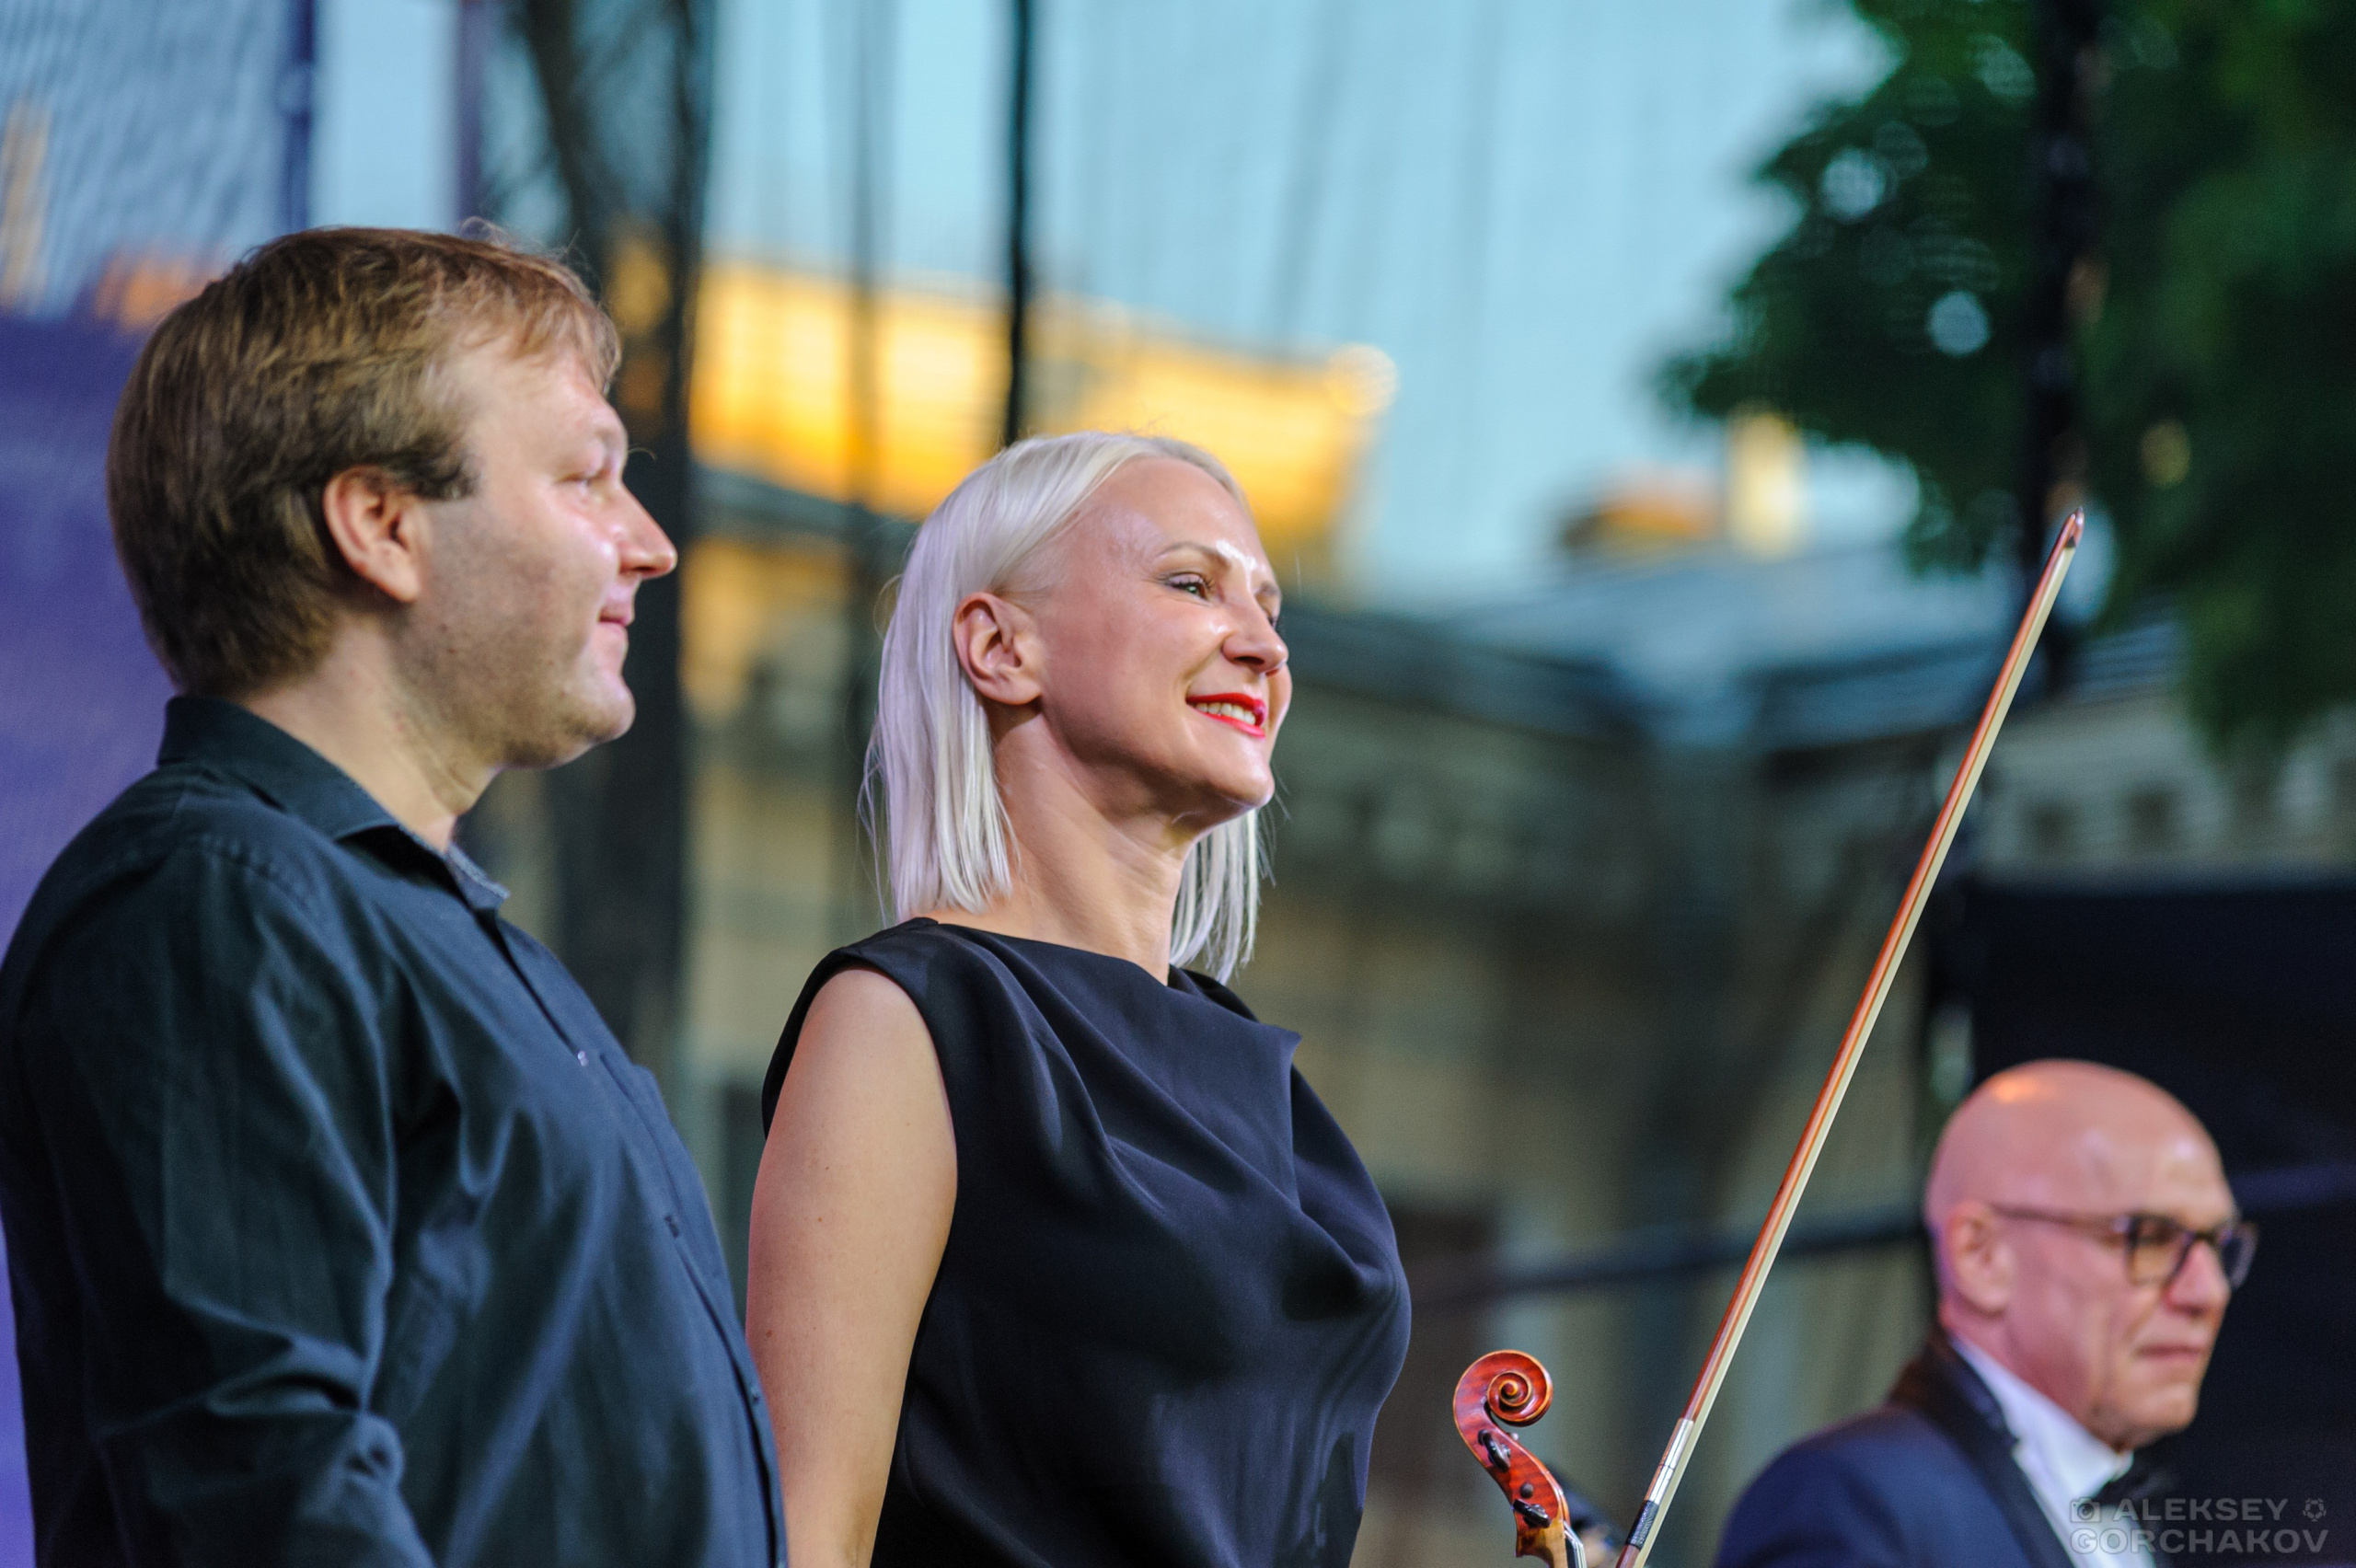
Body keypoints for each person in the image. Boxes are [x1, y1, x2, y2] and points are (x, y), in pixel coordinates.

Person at [0, 228, 780, 1566]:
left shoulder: (410, 927)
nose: (647, 545)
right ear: (382, 525)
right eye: (588, 476)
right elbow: (264, 1495)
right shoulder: (211, 902)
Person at [745, 433, 1410, 1568]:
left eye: (1269, 603)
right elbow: (806, 1535)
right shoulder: (914, 1022)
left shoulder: (1246, 1065)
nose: (1262, 646)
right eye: (1191, 584)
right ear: (1001, 647)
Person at [1715, 1060, 2254, 1568]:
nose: (2208, 1292)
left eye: (2218, 1246)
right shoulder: (1844, 1500)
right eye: (2152, 1238)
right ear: (1982, 1257)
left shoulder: (2130, 1510)